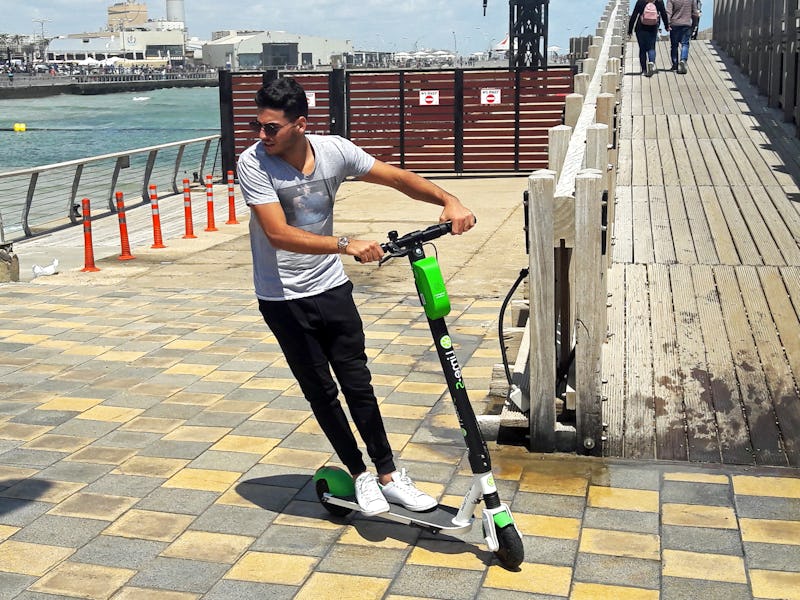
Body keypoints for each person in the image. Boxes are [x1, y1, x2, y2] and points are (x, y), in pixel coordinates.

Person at [236, 77, 476, 517]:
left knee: (357, 382)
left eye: (271, 128)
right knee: (322, 391)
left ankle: (388, 475)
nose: (261, 136)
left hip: (330, 287)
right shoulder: (253, 163)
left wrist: (449, 199)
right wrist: (346, 244)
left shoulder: (334, 150)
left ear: (300, 125)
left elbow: (396, 177)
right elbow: (278, 234)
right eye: (258, 126)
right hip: (282, 296)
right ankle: (359, 474)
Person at [628, 0, 670, 77]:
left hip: (640, 28)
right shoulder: (659, 2)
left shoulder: (640, 1)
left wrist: (630, 30)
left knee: (642, 49)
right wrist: (666, 26)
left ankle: (644, 70)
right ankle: (651, 62)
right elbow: (664, 14)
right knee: (651, 47)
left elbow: (634, 15)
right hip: (653, 27)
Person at [667, 0, 701, 73]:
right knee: (685, 44)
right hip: (686, 24)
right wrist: (694, 24)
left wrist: (667, 24)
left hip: (674, 24)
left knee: (674, 45)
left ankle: (675, 65)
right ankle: (683, 60)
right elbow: (695, 12)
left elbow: (668, 12)